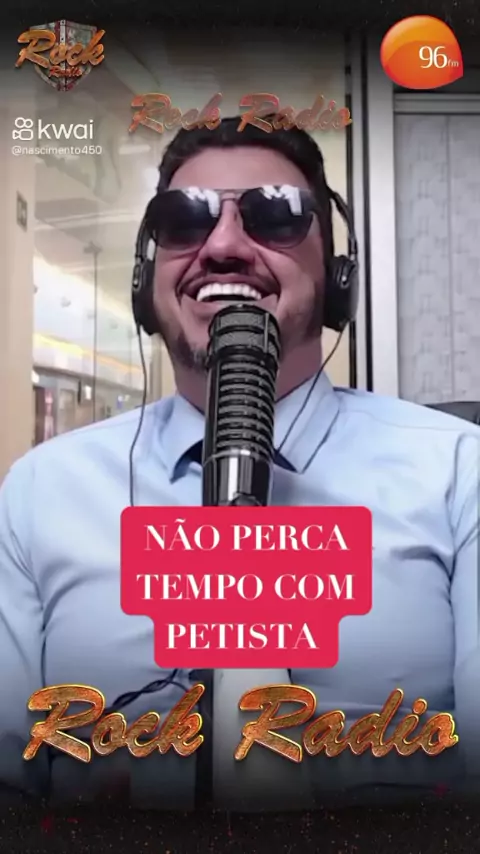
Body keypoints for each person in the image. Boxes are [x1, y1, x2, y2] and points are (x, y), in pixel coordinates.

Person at [0, 117, 478, 810]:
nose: (223, 246)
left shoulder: (459, 471)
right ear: (146, 280)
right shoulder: (41, 490)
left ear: (336, 275)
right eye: (184, 220)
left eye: (274, 215)